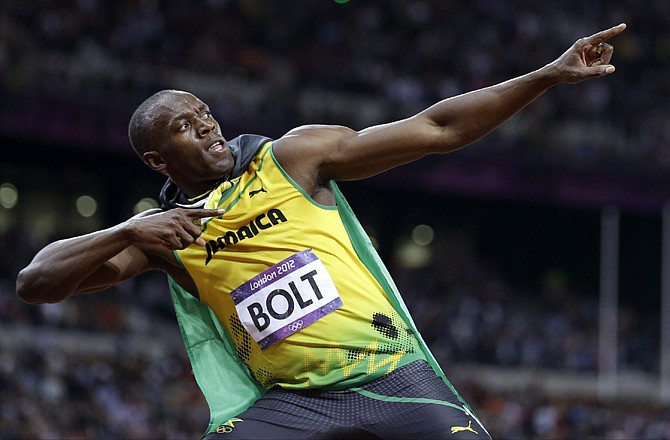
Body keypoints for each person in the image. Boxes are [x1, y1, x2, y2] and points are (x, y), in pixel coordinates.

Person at [16, 23, 626, 439]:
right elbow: (36, 284)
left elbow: (438, 129)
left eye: (204, 112)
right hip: (295, 404)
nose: (205, 125)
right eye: (184, 125)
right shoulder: (165, 237)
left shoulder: (292, 158)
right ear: (156, 161)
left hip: (393, 376)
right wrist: (130, 227)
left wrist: (547, 74)